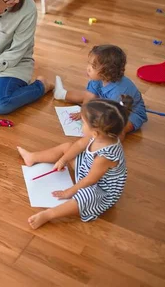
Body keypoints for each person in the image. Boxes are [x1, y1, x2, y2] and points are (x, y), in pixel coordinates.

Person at [18, 96, 131, 229]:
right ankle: (32, 157)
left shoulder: (105, 157)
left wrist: (69, 192)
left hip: (101, 188)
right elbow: (78, 146)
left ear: (95, 133)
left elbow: (90, 180)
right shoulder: (97, 136)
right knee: (67, 147)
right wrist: (63, 159)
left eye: (83, 123)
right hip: (88, 169)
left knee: (86, 197)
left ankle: (49, 214)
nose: (80, 125)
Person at [53, 45, 147, 139]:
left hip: (128, 113)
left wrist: (93, 121)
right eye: (89, 64)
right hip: (107, 101)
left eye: (93, 66)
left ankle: (111, 148)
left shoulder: (119, 91)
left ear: (107, 71)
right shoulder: (97, 79)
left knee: (117, 129)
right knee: (86, 95)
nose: (88, 68)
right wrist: (84, 113)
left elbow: (114, 116)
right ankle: (61, 94)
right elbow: (89, 97)